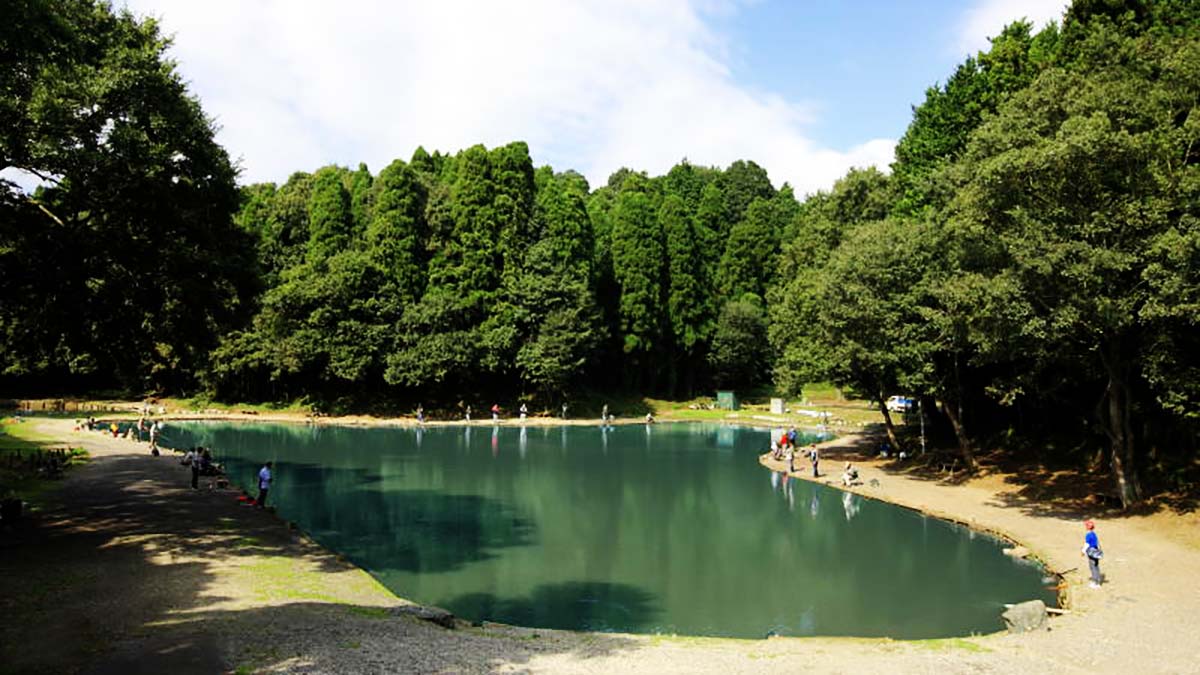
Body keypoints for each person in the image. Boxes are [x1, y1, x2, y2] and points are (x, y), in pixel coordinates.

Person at [1083, 520, 1104, 588]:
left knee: (1092, 567)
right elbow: (1097, 543)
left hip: (1091, 553)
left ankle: (1095, 582)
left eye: (1086, 526)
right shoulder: (1093, 534)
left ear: (1088, 527)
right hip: (1096, 553)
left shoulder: (1088, 535)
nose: (1085, 527)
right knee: (1096, 566)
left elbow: (1087, 544)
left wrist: (1083, 551)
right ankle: (1098, 581)